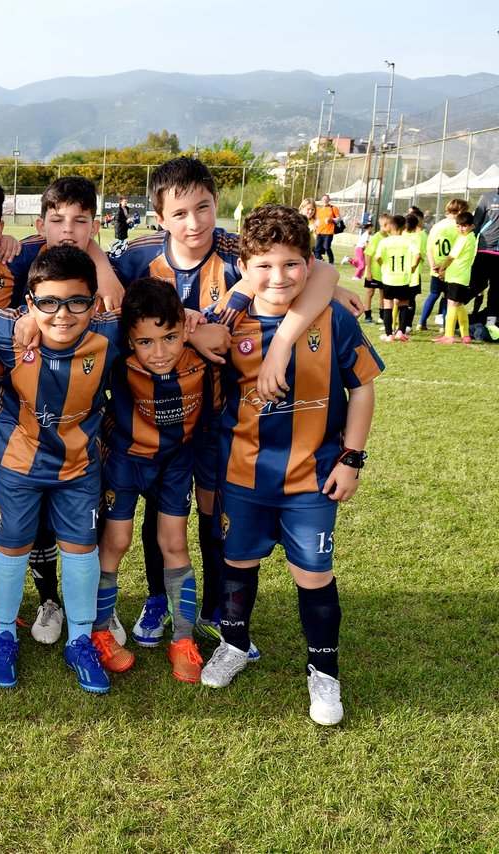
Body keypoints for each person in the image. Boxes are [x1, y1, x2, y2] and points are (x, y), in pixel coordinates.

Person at [110, 157, 344, 650]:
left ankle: (216, 607)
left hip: (225, 417)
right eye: (179, 214)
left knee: (215, 512)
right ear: (160, 217)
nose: (194, 223)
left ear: (217, 203)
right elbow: (103, 298)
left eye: (203, 208)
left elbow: (322, 269)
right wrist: (191, 332)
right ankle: (157, 598)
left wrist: (283, 341)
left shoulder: (235, 250)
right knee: (161, 512)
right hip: (158, 420)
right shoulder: (137, 257)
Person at [200, 204, 382, 726]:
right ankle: (234, 643)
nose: (278, 277)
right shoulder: (228, 323)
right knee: (238, 563)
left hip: (313, 478)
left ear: (309, 264)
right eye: (264, 265)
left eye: (291, 265)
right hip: (244, 474)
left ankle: (324, 672)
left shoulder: (333, 318)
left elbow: (362, 388)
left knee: (313, 574)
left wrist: (351, 458)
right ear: (242, 268)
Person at [0, 247, 118, 691]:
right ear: (29, 303)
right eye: (48, 303)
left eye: (76, 302)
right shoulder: (12, 332)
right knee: (10, 548)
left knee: (82, 550)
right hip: (17, 464)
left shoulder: (110, 334)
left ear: (94, 303)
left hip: (79, 465)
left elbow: (164, 319)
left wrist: (197, 324)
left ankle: (80, 640)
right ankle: (4, 635)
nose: (62, 314)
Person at [95, 277, 208, 684]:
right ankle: (100, 632)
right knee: (116, 542)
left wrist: (200, 325)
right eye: (145, 342)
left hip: (175, 462)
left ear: (184, 329)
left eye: (170, 338)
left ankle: (182, 640)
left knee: (174, 543)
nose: (160, 352)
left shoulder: (201, 353)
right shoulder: (116, 352)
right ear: (130, 339)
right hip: (125, 460)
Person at [420, 199, 467, 329]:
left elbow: (429, 247)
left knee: (433, 294)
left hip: (436, 267)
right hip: (449, 268)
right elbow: (457, 250)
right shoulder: (459, 228)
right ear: (461, 211)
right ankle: (445, 326)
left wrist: (432, 264)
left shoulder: (437, 225)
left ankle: (421, 322)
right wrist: (444, 268)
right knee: (448, 297)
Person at [433, 212, 478, 344]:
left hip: (456, 277)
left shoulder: (463, 239)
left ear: (471, 226)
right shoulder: (471, 237)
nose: (460, 229)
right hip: (462, 276)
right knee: (459, 305)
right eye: (458, 226)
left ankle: (449, 335)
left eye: (464, 226)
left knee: (451, 305)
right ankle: (466, 335)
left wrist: (442, 269)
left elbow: (450, 257)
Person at [372, 214, 419, 341]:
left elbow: (377, 257)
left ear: (390, 227)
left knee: (388, 304)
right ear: (404, 227)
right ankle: (401, 332)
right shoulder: (408, 241)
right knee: (403, 304)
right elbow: (417, 255)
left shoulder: (385, 241)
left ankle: (389, 334)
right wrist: (413, 267)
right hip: (403, 278)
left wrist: (382, 266)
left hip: (389, 278)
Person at [470, 186, 499, 322]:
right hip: (485, 250)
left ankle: (491, 320)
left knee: (496, 289)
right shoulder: (487, 198)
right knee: (476, 285)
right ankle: (452, 308)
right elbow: (476, 223)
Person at [313, 194, 341, 264]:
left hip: (328, 231)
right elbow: (317, 220)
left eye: (326, 199)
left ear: (329, 200)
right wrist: (315, 227)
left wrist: (331, 220)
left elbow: (339, 218)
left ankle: (331, 261)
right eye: (323, 199)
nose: (324, 201)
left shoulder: (333, 208)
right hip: (319, 231)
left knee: (327, 247)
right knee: (317, 247)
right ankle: (319, 260)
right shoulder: (319, 209)